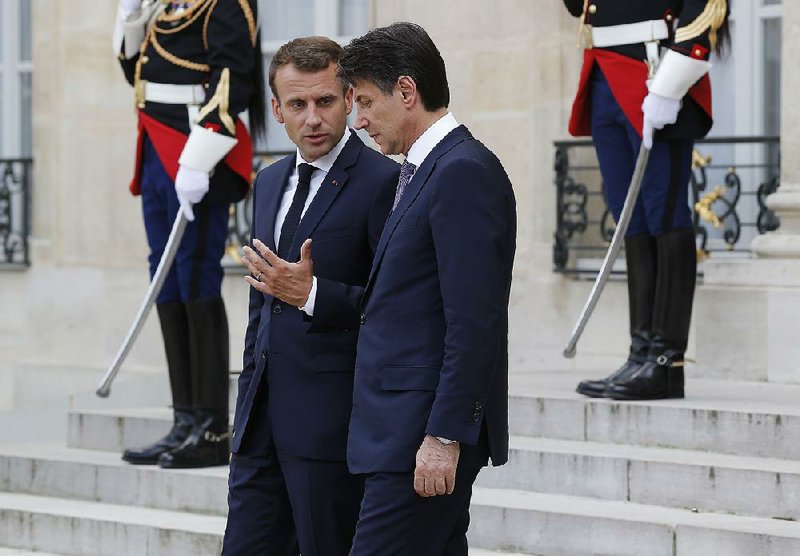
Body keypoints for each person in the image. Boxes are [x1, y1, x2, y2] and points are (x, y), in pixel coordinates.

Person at [330, 22, 515, 555]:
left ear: (406, 91)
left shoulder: (462, 172)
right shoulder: (420, 171)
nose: (358, 121)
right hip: (395, 435)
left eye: (364, 101)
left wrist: (444, 437)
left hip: (420, 439)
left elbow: (475, 322)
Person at [223, 37, 399, 556]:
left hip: (331, 430)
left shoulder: (385, 181)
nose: (313, 118)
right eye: (297, 105)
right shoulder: (270, 180)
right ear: (276, 110)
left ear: (349, 98)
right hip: (258, 428)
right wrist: (244, 407)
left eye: (325, 101)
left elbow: (394, 307)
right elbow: (262, 304)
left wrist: (315, 294)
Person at [113, 0, 265, 468]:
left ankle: (213, 425)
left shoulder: (224, 5)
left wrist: (199, 160)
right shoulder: (165, 7)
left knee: (194, 275)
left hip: (195, 151)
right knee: (164, 276)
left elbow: (232, 79)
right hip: (156, 145)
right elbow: (132, 70)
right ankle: (185, 419)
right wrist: (131, 14)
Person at [564, 0, 730, 400]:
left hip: (656, 71)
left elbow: (707, 7)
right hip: (604, 71)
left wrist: (672, 82)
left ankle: (664, 361)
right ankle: (640, 352)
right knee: (631, 220)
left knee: (664, 215)